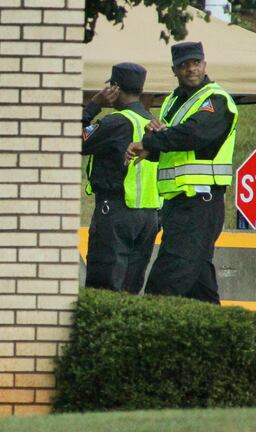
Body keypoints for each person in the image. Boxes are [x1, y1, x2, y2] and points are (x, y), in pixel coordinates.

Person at [125, 42, 239, 304]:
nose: (191, 69)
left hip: (200, 203)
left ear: (204, 65)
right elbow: (172, 147)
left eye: (196, 63)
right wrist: (153, 143)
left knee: (165, 283)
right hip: (178, 205)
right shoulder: (172, 102)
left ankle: (152, 327)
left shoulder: (215, 99)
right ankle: (216, 329)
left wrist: (152, 141)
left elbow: (194, 134)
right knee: (199, 288)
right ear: (174, 70)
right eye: (184, 65)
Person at [82, 63, 160, 293]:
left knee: (104, 286)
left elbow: (72, 139)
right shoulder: (150, 121)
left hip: (116, 211)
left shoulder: (116, 121)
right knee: (130, 288)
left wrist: (94, 105)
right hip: (148, 217)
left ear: (114, 88)